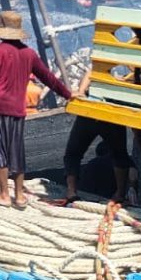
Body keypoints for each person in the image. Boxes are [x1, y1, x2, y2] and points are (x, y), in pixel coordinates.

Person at [0, 10, 73, 209]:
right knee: (16, 151)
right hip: (17, 110)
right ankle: (19, 196)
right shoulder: (29, 53)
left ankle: (3, 195)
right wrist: (68, 94)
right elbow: (48, 77)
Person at [56, 70, 131, 205]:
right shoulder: (127, 70)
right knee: (119, 154)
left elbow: (90, 72)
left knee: (73, 153)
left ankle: (71, 190)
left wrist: (82, 91)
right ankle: (120, 194)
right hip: (110, 111)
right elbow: (91, 72)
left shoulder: (102, 66)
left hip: (92, 110)